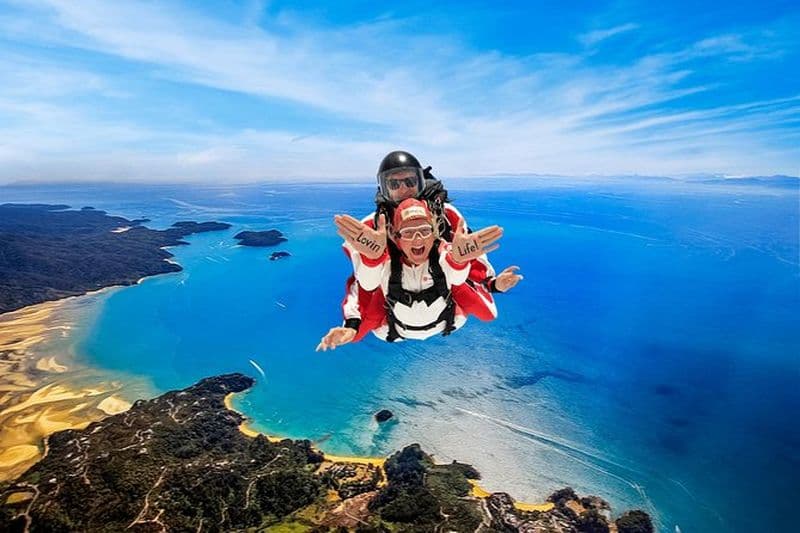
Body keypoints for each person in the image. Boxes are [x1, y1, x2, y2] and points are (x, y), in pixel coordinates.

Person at [337, 151, 522, 340]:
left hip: (443, 302)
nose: (404, 189)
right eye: (394, 184)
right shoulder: (371, 227)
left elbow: (470, 252)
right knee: (374, 274)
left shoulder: (446, 216)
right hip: (395, 311)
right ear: (384, 188)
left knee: (462, 268)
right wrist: (352, 323)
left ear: (420, 183)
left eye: (410, 182)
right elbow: (362, 283)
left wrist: (492, 283)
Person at [317, 198, 508, 350]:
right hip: (397, 328)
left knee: (488, 313)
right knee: (356, 335)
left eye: (424, 231)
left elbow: (458, 277)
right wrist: (372, 260)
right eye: (408, 233)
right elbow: (364, 287)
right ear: (395, 236)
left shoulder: (443, 254)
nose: (417, 239)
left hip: (440, 321)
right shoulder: (388, 263)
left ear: (434, 233)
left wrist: (460, 262)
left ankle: (485, 284)